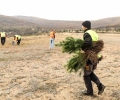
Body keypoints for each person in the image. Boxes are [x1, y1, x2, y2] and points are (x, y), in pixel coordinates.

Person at [81, 21, 105, 96]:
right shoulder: (94, 33)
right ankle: (100, 86)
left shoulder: (87, 33)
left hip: (90, 57)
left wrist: (81, 47)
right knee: (90, 73)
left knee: (86, 75)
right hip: (96, 56)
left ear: (85, 26)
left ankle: (90, 92)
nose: (82, 27)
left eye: (82, 26)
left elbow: (88, 42)